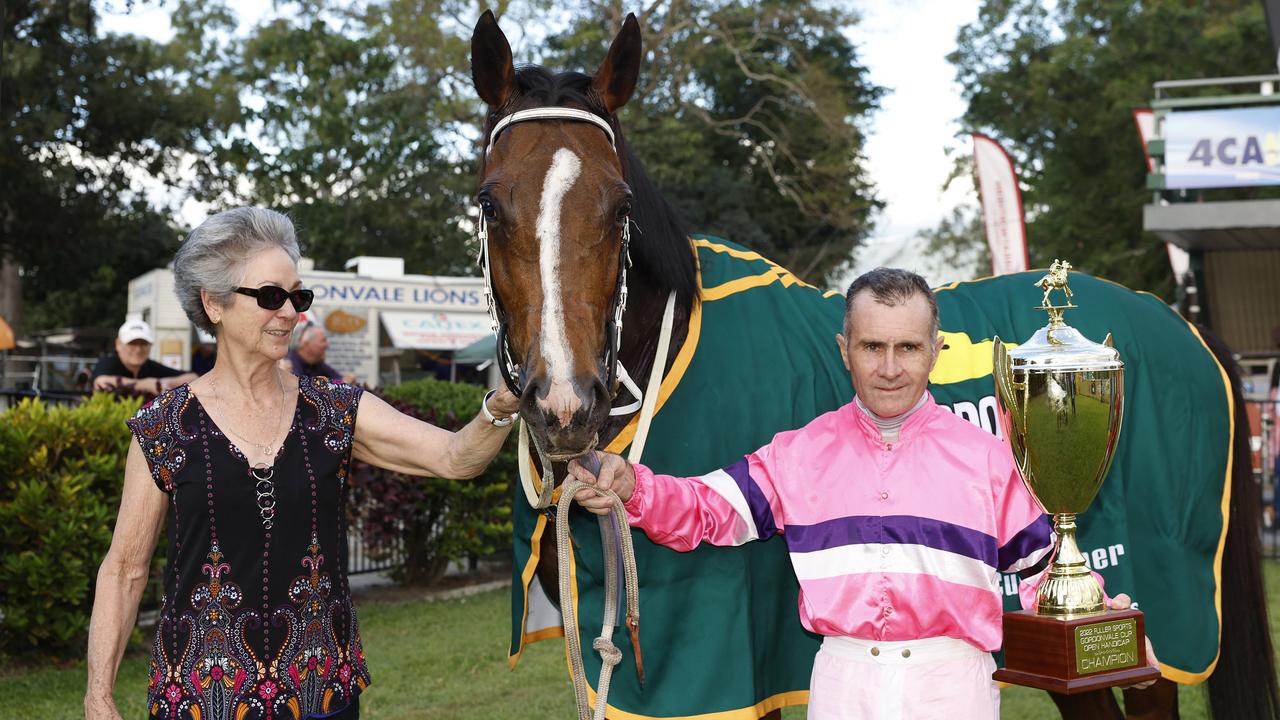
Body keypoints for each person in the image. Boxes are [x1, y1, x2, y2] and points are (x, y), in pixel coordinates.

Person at [570, 268, 1155, 719]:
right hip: (842, 685)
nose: (891, 367)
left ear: (936, 350)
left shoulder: (990, 459)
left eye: (908, 348)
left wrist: (1112, 636)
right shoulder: (797, 453)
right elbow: (705, 509)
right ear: (844, 348)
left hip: (954, 687)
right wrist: (632, 485)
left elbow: (1052, 572)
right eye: (873, 347)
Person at [84, 207, 521, 720]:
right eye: (271, 296)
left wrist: (501, 405)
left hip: (322, 697)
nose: (291, 312)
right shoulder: (163, 427)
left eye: (299, 297)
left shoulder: (335, 409)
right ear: (213, 304)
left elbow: (455, 457)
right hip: (201, 699)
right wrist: (99, 694)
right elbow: (124, 570)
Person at [90, 318, 197, 395]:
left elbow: (192, 378)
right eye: (132, 343)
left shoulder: (149, 366)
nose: (138, 349)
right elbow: (101, 383)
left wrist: (162, 383)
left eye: (143, 343)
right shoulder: (109, 362)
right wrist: (145, 385)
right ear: (118, 344)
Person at [284, 321, 356, 384]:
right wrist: (341, 385)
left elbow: (337, 379)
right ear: (306, 344)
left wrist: (343, 382)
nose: (327, 345)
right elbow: (302, 392)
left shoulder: (316, 362)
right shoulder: (289, 364)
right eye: (323, 340)